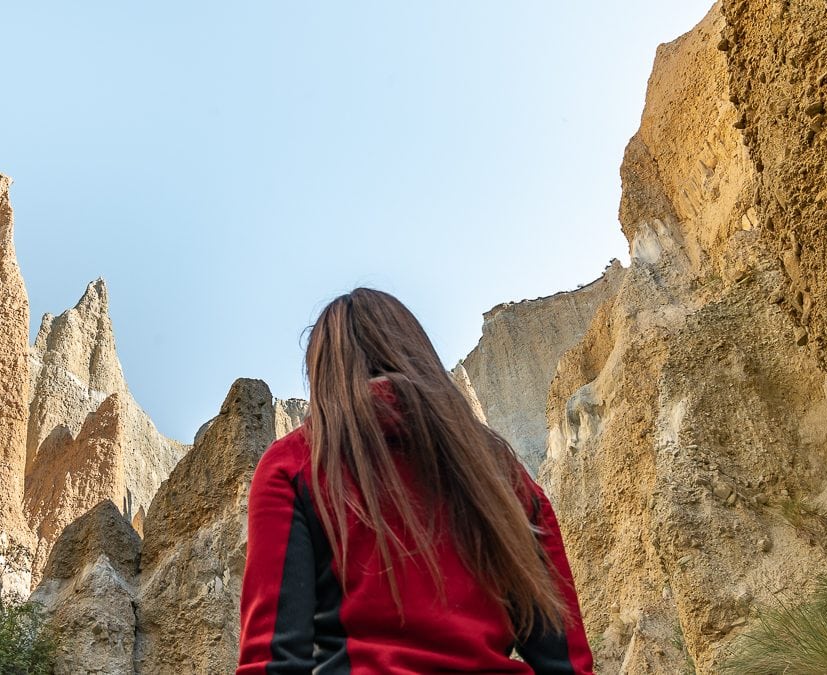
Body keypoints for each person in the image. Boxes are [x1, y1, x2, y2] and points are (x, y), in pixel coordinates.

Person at [237, 288, 594, 674]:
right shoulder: (499, 470)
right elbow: (567, 661)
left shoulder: (292, 464)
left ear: (324, 374)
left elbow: (273, 660)